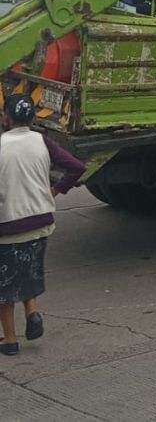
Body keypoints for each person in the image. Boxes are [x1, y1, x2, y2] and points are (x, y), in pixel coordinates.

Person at [0, 95, 85, 356]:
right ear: (34, 119)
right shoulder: (42, 142)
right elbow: (76, 167)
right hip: (41, 221)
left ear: (6, 118)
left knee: (5, 287)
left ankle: (10, 340)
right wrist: (55, 190)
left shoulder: (1, 146)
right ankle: (32, 311)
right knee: (28, 271)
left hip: (9, 226)